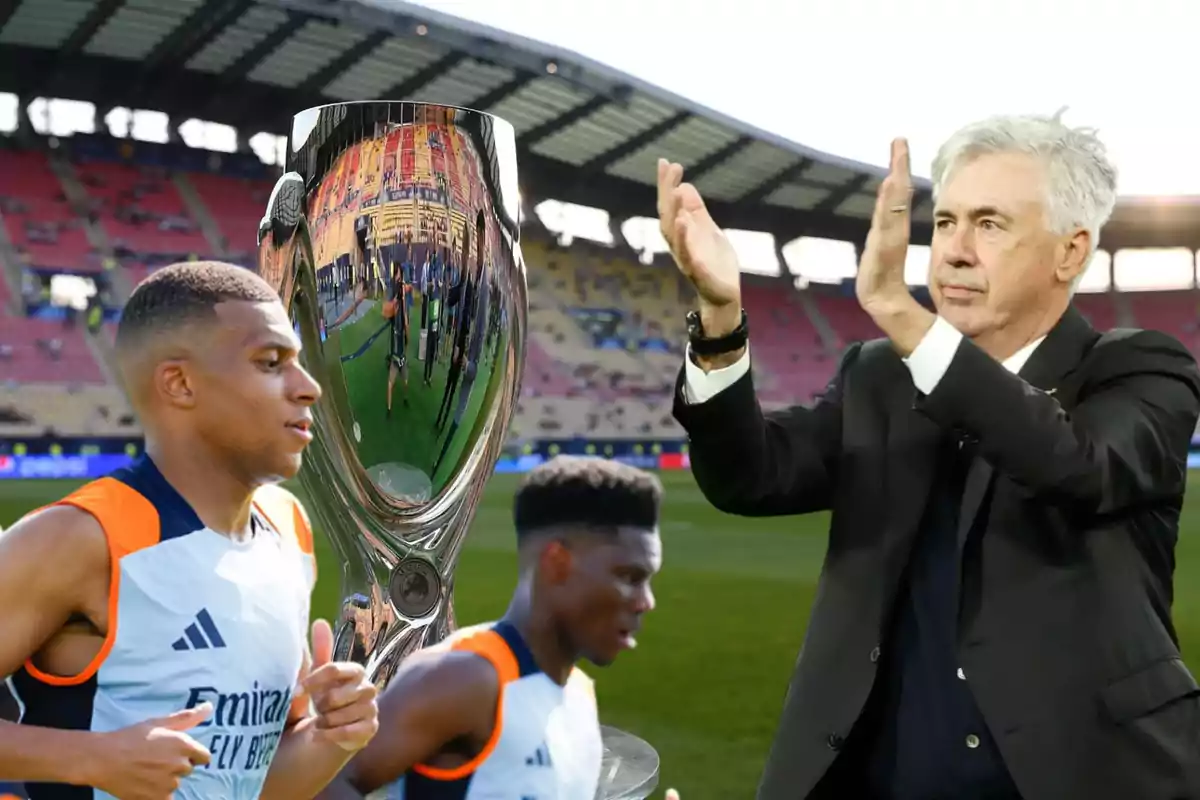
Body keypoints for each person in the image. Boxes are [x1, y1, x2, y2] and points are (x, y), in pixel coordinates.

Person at [661, 113, 1200, 800]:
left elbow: (1080, 463)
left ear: (1070, 252)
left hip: (1076, 774)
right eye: (944, 222)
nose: (953, 251)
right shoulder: (879, 378)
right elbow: (750, 476)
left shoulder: (1140, 369)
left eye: (990, 224)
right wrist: (719, 320)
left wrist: (901, 313)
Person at [0, 261, 380, 799]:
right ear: (179, 383)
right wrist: (89, 758)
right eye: (271, 362)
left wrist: (330, 736)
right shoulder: (82, 538)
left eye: (301, 363)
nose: (309, 387)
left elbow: (249, 786)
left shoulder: (286, 526)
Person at [315, 455, 667, 800]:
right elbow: (326, 783)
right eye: (629, 577)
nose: (646, 601)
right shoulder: (464, 678)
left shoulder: (579, 695)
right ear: (558, 563)